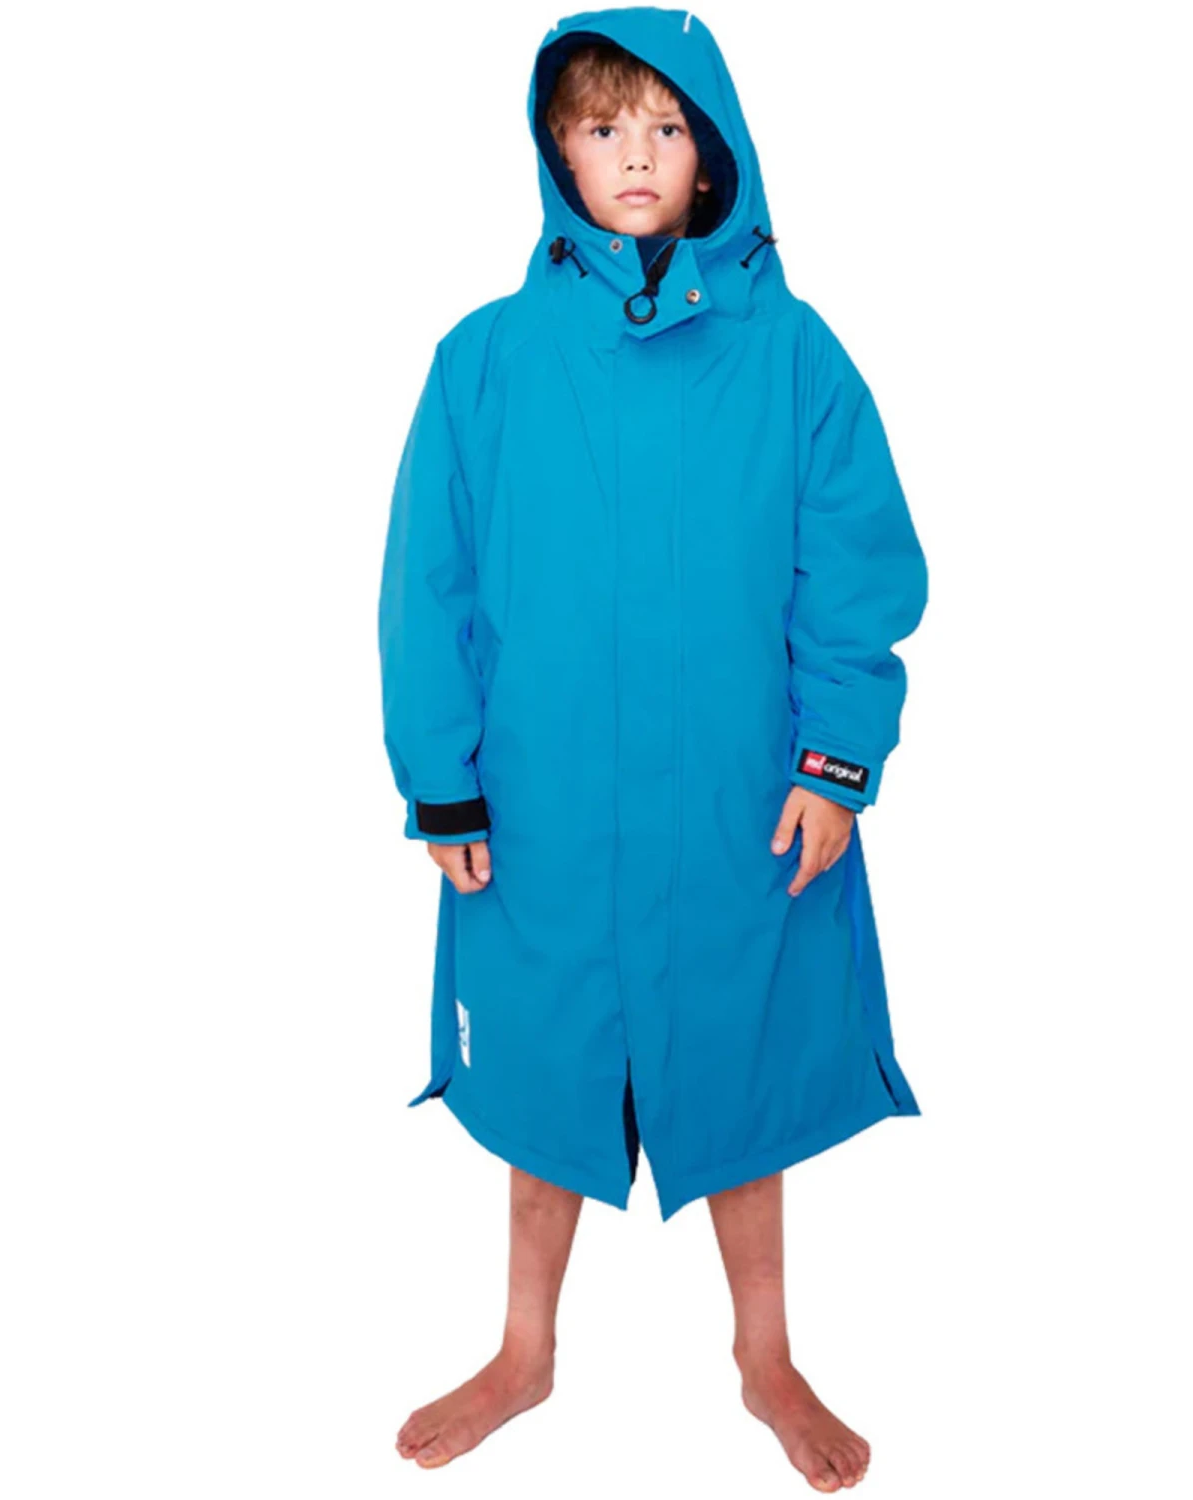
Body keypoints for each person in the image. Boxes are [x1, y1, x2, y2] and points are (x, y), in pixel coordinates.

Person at [378, 8, 928, 1491]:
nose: (636, 154)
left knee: (745, 1067)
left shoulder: (794, 357)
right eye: (605, 126)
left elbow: (855, 567)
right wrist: (443, 781)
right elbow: (428, 586)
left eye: (667, 128)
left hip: (739, 800)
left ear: (715, 155)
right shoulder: (485, 363)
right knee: (543, 1076)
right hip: (541, 804)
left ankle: (766, 1354)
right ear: (557, 152)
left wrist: (836, 760)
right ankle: (525, 1348)